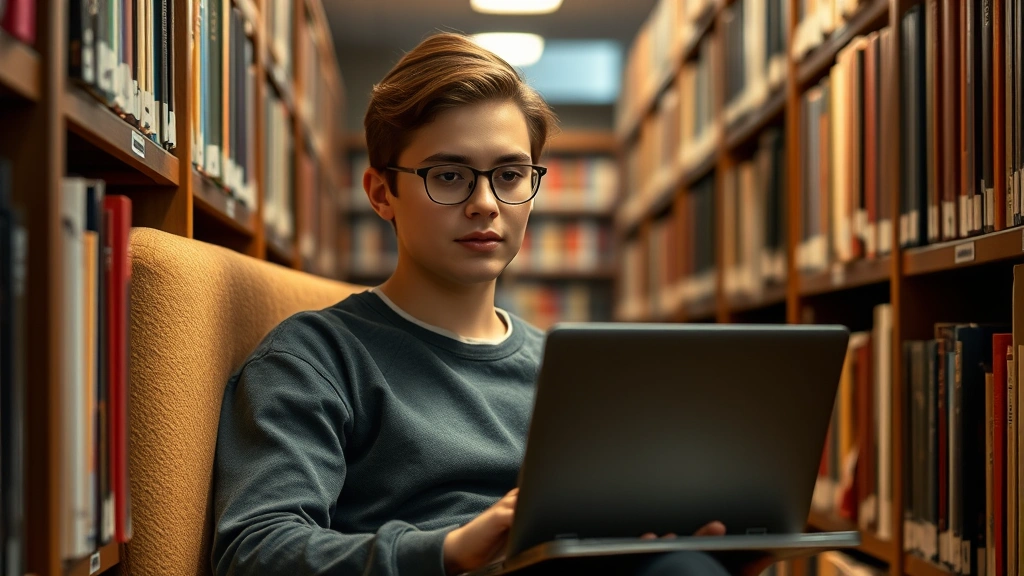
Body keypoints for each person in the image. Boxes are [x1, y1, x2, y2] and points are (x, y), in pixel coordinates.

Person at [210, 32, 762, 576]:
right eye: (448, 176)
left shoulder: (569, 371)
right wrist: (448, 551)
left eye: (509, 175)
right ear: (381, 193)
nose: (484, 204)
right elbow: (255, 552)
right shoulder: (314, 359)